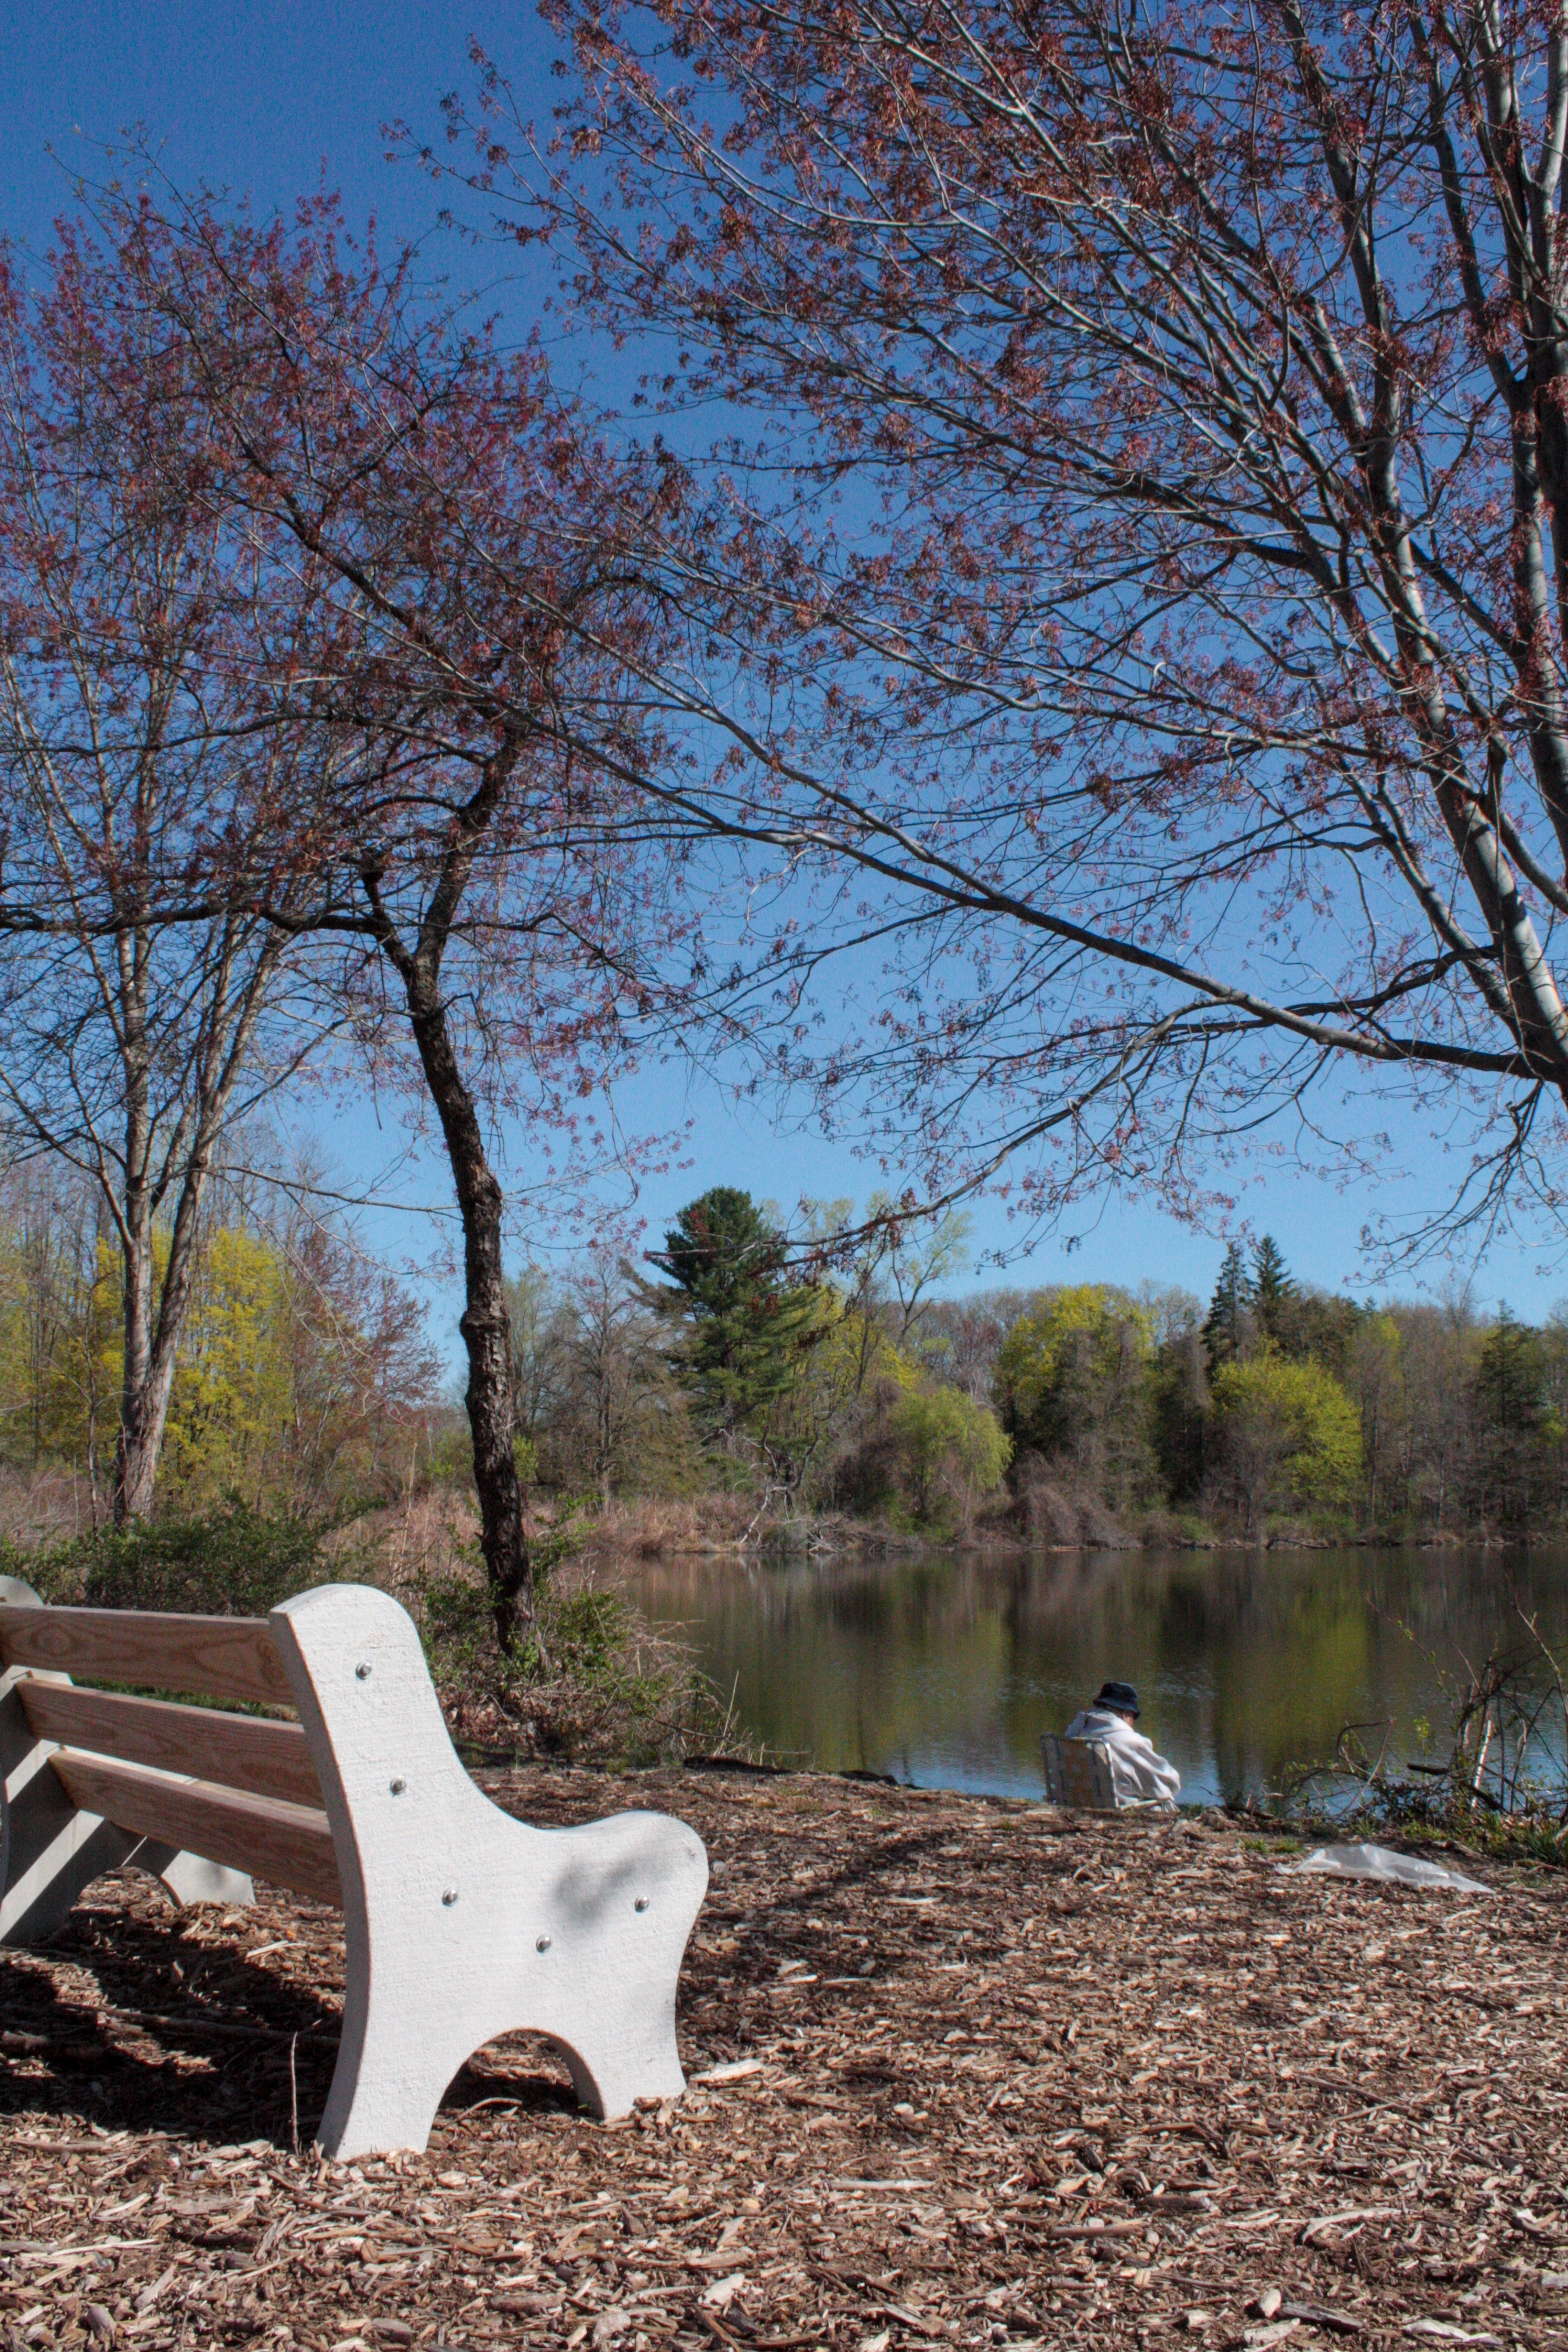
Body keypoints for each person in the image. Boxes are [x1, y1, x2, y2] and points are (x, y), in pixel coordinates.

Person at [1064, 1680, 1181, 1806]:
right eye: (1133, 1717)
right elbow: (1168, 1783)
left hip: (1077, 1802)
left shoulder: (1074, 1731)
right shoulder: (1127, 1740)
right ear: (1126, 1714)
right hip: (1115, 1808)